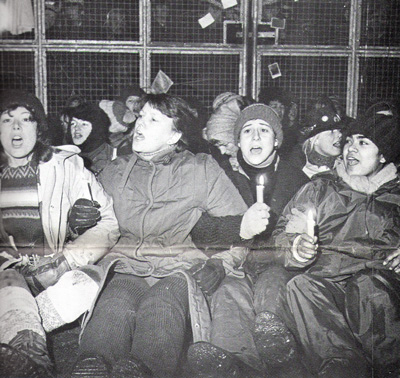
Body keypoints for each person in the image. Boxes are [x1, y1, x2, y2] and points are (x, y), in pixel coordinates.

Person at [70, 94, 266, 378]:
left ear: (175, 135)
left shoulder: (202, 169)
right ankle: (91, 366)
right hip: (128, 266)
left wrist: (220, 264)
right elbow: (93, 225)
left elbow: (241, 230)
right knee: (114, 304)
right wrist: (76, 222)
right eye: (140, 117)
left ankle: (145, 370)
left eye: (153, 120)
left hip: (180, 269)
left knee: (161, 307)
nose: (140, 125)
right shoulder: (115, 171)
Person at [0, 91, 119, 377]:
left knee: (89, 281)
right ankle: (33, 360)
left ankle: (17, 323)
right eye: (7, 120)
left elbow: (108, 223)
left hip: (51, 270)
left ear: (39, 127)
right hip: (6, 272)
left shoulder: (66, 165)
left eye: (26, 119)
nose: (16, 128)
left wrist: (69, 255)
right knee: (12, 281)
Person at [273, 111, 400, 377]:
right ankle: (341, 367)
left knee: (368, 285)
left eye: (364, 142)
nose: (352, 147)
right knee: (301, 285)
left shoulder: (396, 195)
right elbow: (283, 234)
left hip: (380, 286)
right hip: (328, 284)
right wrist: (297, 247)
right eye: (349, 140)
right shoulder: (320, 188)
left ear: (384, 155)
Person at [65, 102, 119, 176]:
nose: (76, 128)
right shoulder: (67, 154)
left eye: (84, 124)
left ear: (96, 128)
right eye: (73, 123)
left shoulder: (111, 158)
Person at [258, 87, 300, 157]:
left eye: (282, 107)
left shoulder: (288, 133)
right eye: (274, 106)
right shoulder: (258, 129)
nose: (279, 111)